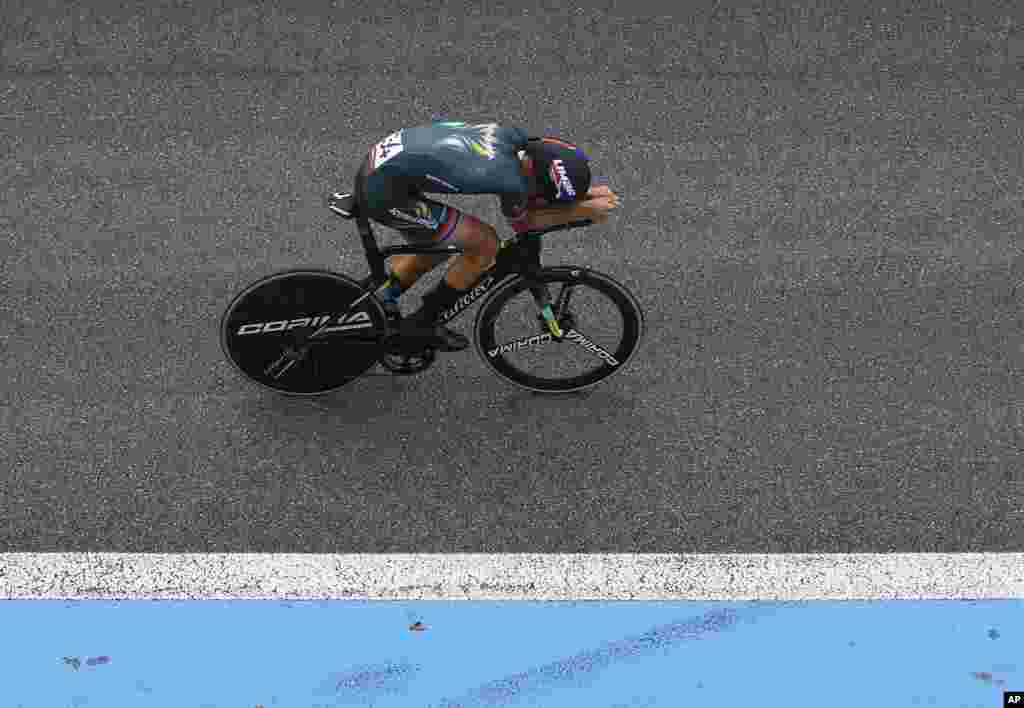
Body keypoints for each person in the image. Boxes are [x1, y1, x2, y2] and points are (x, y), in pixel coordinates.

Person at [353, 121, 620, 351]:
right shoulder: (507, 179)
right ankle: (424, 322)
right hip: (384, 192)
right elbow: (525, 222)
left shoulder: (514, 139)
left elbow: (533, 197)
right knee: (483, 243)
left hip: (383, 168)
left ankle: (379, 300)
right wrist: (583, 209)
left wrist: (582, 195)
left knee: (434, 247)